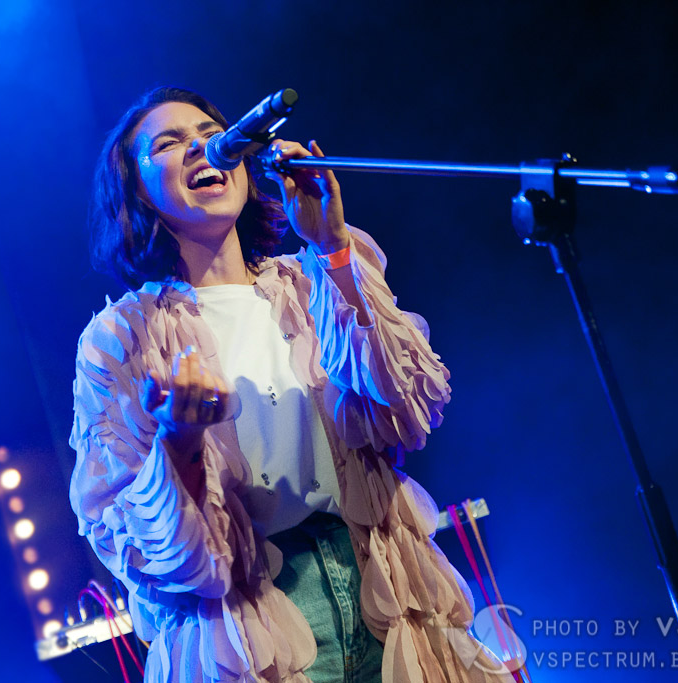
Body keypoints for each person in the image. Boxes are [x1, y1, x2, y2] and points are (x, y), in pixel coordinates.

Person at [69, 86, 508, 682]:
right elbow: (135, 539)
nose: (200, 147)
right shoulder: (124, 338)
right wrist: (179, 442)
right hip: (252, 619)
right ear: (136, 189)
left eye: (211, 134)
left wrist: (333, 246)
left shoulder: (308, 284)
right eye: (169, 144)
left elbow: (406, 404)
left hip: (383, 578)